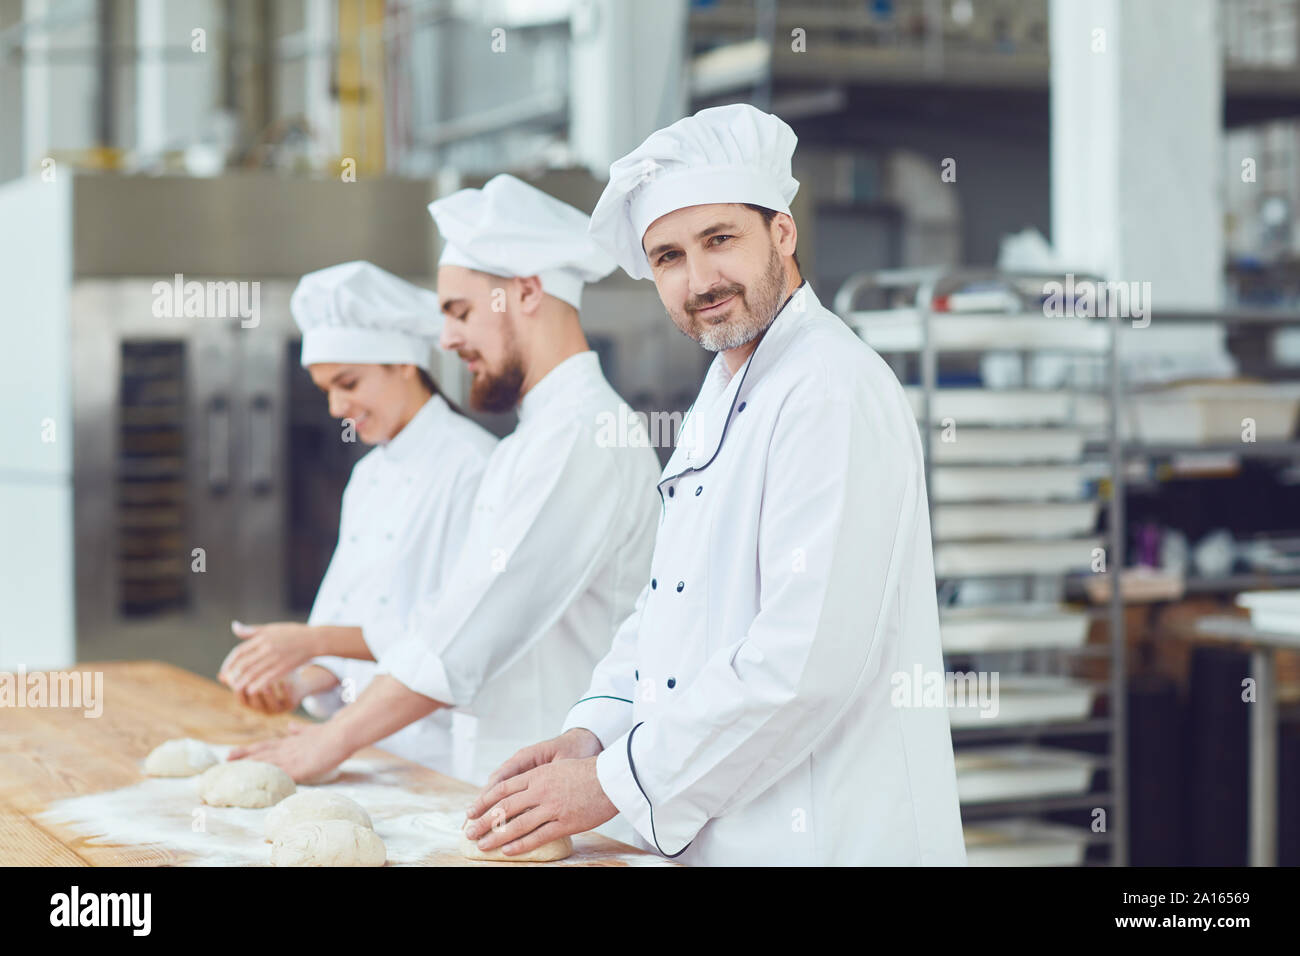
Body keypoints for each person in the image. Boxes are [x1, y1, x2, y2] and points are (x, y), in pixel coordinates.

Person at [464, 104, 967, 865]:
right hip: (729, 832)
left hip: (827, 834)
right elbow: (673, 602)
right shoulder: (725, 387)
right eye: (667, 257)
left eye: (719, 240)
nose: (699, 280)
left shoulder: (827, 387)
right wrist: (593, 730)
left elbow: (803, 661)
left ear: (783, 234)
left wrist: (613, 782)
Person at [227, 175, 661, 789]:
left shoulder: (579, 437)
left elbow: (464, 636)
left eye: (459, 312)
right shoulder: (534, 439)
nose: (448, 338)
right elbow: (439, 622)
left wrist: (332, 740)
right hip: (509, 778)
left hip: (561, 792)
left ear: (527, 292)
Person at [218, 260, 497, 773]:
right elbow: (352, 615)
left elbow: (449, 634)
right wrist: (297, 682)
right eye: (326, 389)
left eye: (348, 382)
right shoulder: (368, 476)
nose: (336, 406)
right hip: (365, 750)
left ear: (405, 364)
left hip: (446, 760)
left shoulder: (476, 467)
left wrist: (308, 641)